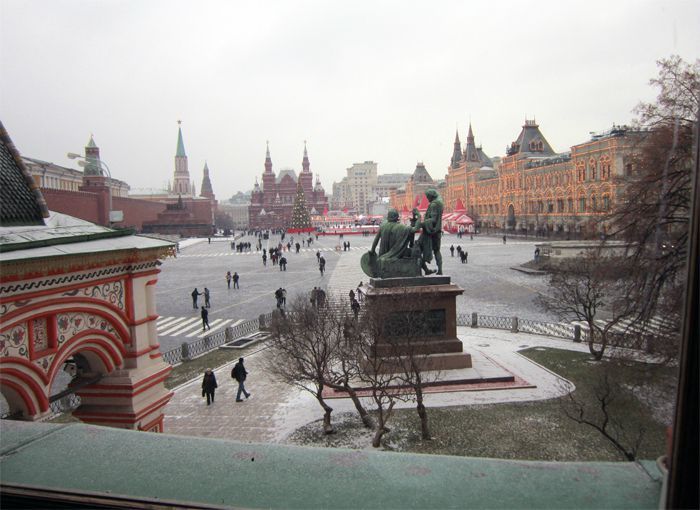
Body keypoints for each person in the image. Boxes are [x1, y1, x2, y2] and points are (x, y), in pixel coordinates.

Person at [416, 189, 444, 275]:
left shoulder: (433, 205)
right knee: (437, 250)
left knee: (417, 250)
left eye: (428, 197)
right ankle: (439, 270)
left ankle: (425, 269)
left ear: (431, 196)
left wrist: (421, 223)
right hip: (437, 231)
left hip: (429, 232)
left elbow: (433, 219)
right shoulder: (439, 203)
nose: (427, 199)